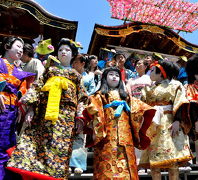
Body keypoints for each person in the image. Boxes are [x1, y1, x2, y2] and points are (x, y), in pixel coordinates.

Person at [6, 38, 86, 179]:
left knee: (59, 150)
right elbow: (37, 89)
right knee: (39, 146)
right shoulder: (49, 71)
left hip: (65, 119)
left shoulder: (76, 76)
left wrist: (80, 118)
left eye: (67, 50)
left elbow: (82, 98)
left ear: (73, 54)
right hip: (44, 114)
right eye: (60, 50)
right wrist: (30, 109)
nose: (63, 52)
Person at [81, 67, 156, 179]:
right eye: (111, 74)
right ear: (105, 78)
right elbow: (93, 108)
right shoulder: (99, 95)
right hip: (107, 134)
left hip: (126, 134)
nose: (114, 77)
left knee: (127, 162)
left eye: (117, 75)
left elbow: (138, 109)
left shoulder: (126, 97)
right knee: (106, 160)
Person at [138, 60, 192, 180]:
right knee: (154, 162)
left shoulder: (175, 85)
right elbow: (141, 105)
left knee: (172, 160)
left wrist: (178, 121)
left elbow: (181, 102)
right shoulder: (147, 89)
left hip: (169, 122)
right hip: (153, 124)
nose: (149, 72)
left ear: (161, 73)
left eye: (152, 70)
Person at [0, 36, 35, 180]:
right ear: (7, 46)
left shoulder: (20, 72)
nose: (21, 50)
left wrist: (29, 109)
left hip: (12, 111)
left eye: (22, 48)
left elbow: (26, 94)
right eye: (18, 46)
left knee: (7, 146)